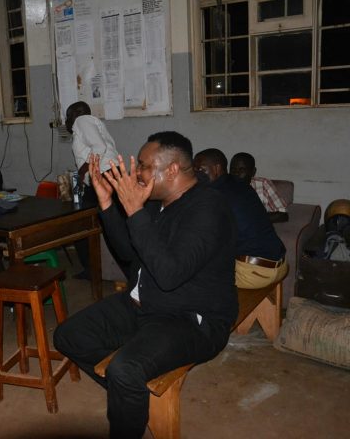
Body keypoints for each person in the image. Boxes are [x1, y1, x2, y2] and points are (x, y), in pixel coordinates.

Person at [54, 131, 238, 439]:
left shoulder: (209, 208)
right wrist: (107, 203)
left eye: (143, 165)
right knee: (69, 336)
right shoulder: (157, 201)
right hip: (143, 304)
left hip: (192, 318)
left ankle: (127, 395)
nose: (137, 173)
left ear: (173, 169)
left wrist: (135, 210)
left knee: (124, 369)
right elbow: (128, 252)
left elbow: (169, 275)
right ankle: (131, 395)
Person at [193, 148, 288, 289]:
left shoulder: (214, 195)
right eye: (194, 170)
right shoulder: (241, 184)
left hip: (255, 273)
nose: (196, 175)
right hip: (281, 264)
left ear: (217, 168)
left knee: (189, 276)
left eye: (201, 170)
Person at [65, 101, 120, 279]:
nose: (67, 120)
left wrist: (82, 171)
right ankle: (102, 268)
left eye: (68, 115)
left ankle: (92, 268)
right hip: (108, 175)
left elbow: (99, 147)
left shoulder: (82, 121)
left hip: (102, 177)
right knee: (109, 224)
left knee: (83, 223)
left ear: (76, 113)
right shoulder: (93, 123)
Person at [229, 152, 289, 223]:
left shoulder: (263, 184)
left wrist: (250, 218)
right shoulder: (224, 186)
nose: (236, 173)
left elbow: (283, 214)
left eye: (242, 170)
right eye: (233, 169)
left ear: (253, 172)